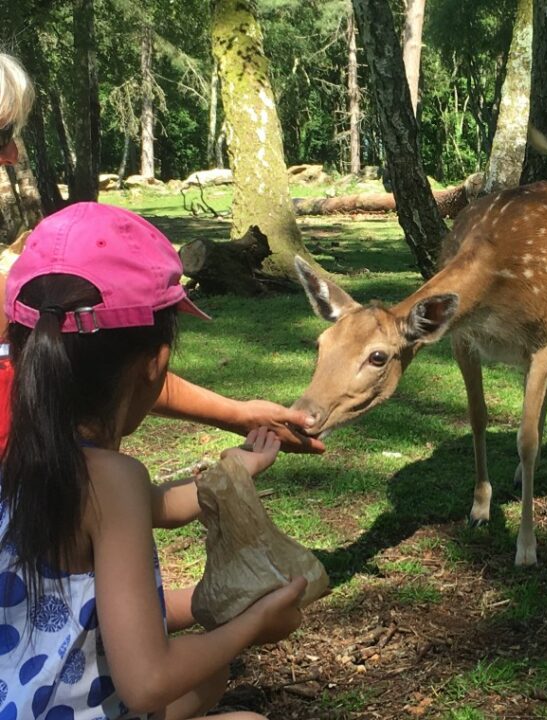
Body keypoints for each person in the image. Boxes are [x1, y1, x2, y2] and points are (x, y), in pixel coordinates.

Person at [0, 202, 307, 719]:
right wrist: (253, 623)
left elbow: (155, 507)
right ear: (155, 364)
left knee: (207, 674)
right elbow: (147, 682)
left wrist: (237, 469)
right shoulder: (112, 479)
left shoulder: (25, 453)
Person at [0, 51, 323, 454]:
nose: (11, 153)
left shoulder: (15, 296)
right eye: (2, 133)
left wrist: (236, 415)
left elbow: (109, 368)